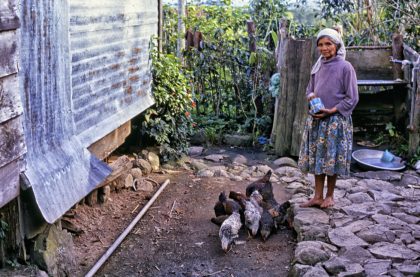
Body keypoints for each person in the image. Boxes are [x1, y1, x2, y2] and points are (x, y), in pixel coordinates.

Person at [298, 27, 359, 208]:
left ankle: (330, 196)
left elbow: (352, 97)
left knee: (331, 159)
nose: (324, 48)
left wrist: (332, 110)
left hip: (335, 121)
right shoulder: (318, 67)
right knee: (319, 158)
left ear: (337, 45)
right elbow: (310, 88)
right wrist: (311, 98)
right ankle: (317, 196)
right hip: (318, 119)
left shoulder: (345, 67)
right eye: (321, 45)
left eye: (328, 44)